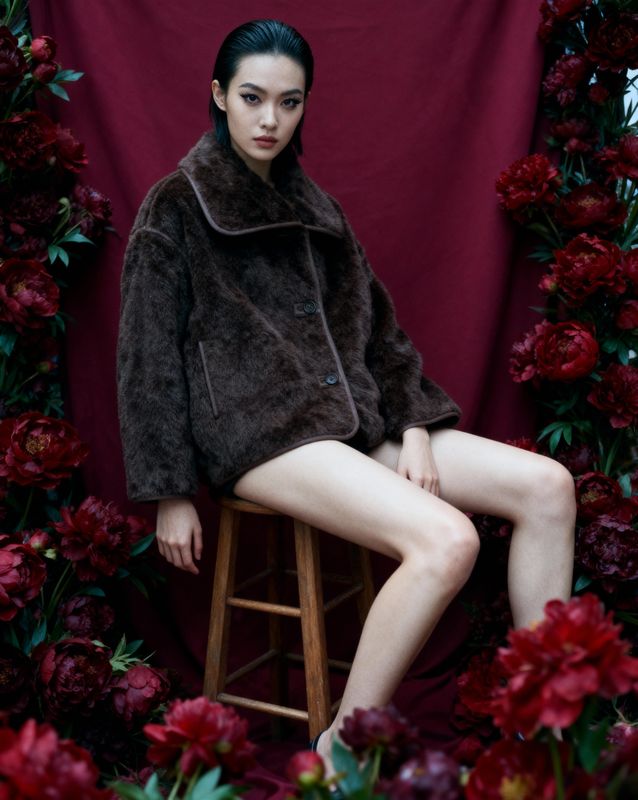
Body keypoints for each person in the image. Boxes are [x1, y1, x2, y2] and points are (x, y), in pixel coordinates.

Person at [117, 18, 576, 773]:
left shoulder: (318, 209)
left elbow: (382, 335)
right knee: (447, 539)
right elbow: (145, 358)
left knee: (548, 486)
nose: (270, 120)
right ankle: (340, 753)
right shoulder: (176, 207)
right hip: (260, 436)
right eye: (253, 98)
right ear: (219, 96)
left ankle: (550, 726)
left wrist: (420, 428)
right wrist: (168, 490)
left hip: (353, 419)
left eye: (289, 102)